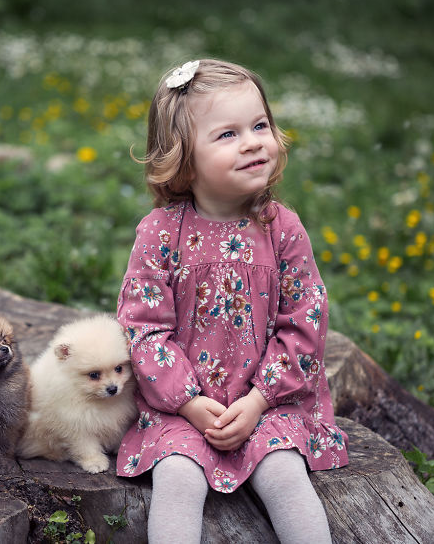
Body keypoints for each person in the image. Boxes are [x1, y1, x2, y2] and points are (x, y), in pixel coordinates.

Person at [116, 59, 348, 543]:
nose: (252, 142)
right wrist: (190, 403)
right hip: (181, 407)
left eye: (260, 125)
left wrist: (261, 399)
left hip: (268, 403)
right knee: (177, 479)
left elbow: (305, 321)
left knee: (284, 473)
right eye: (227, 134)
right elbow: (143, 328)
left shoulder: (281, 228)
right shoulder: (161, 231)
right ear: (183, 158)